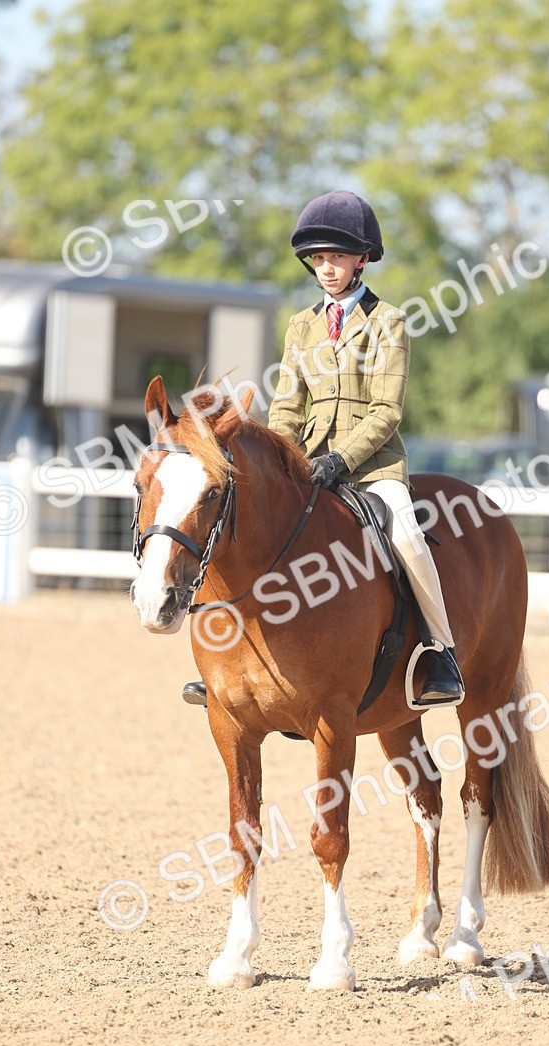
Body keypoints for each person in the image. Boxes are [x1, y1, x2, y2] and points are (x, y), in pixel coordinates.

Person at [182, 189, 462, 707]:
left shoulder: (388, 322)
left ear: (362, 260)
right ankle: (226, 661)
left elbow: (387, 411)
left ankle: (440, 652)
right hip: (307, 464)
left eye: (337, 257)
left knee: (408, 539)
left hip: (373, 469)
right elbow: (287, 406)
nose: (327, 268)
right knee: (242, 526)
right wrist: (283, 458)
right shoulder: (301, 325)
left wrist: (342, 459)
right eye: (319, 259)